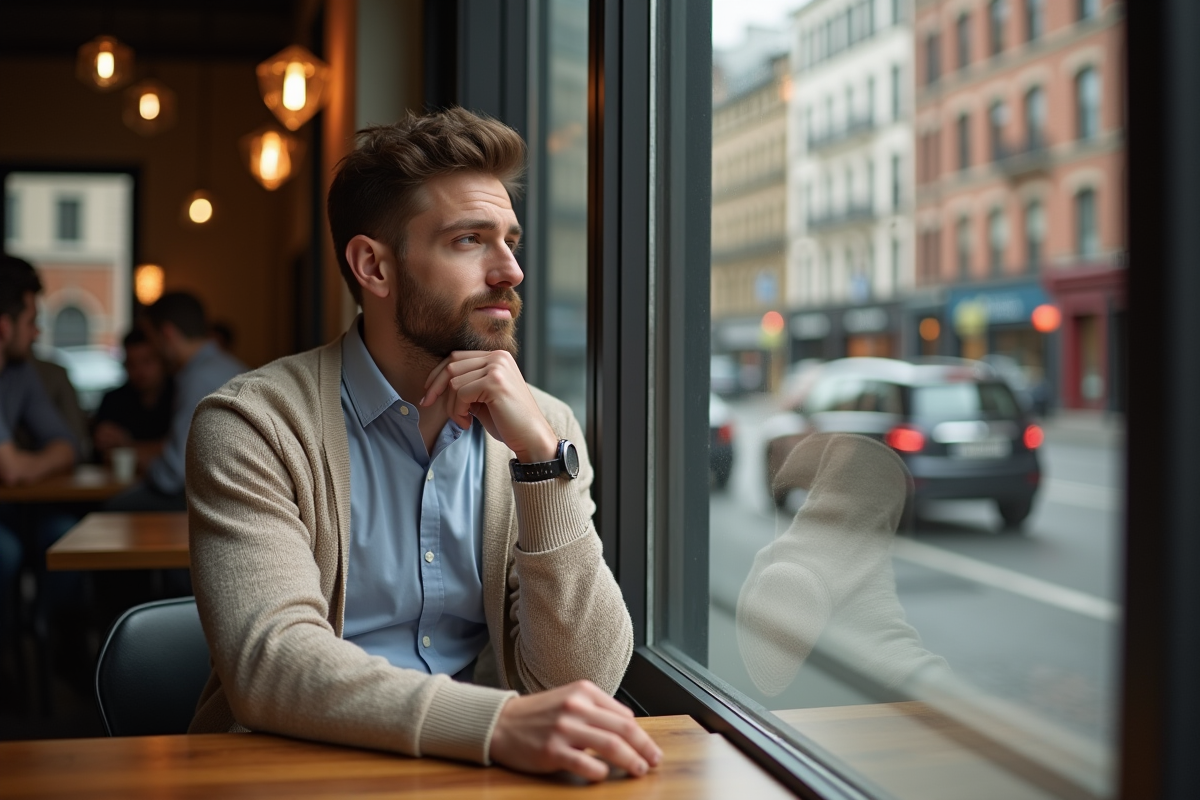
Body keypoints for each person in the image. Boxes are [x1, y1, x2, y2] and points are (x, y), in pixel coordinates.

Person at [186, 108, 660, 782]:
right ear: (372, 266)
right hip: (297, 775)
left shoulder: (543, 425)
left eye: (510, 240)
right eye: (470, 240)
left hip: (487, 780)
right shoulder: (253, 424)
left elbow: (584, 678)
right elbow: (271, 663)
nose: (510, 271)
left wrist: (540, 464)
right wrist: (491, 724)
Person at [0, 254, 80, 645]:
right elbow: (11, 470)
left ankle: (40, 634)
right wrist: (22, 464)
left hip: (12, 510)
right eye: (31, 321)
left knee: (66, 533)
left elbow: (67, 445)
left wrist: (23, 463)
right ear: (4, 325)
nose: (36, 333)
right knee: (6, 552)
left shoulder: (20, 372)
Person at [105, 292, 244, 512]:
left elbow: (174, 473)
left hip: (215, 502)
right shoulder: (227, 366)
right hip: (234, 496)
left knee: (112, 510)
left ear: (167, 334)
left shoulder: (197, 378)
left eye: (152, 339)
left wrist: (145, 466)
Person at [92, 328, 175, 467]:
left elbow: (182, 449)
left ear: (162, 361)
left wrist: (127, 444)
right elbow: (102, 455)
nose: (139, 371)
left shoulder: (179, 395)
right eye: (132, 364)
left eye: (147, 361)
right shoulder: (113, 400)